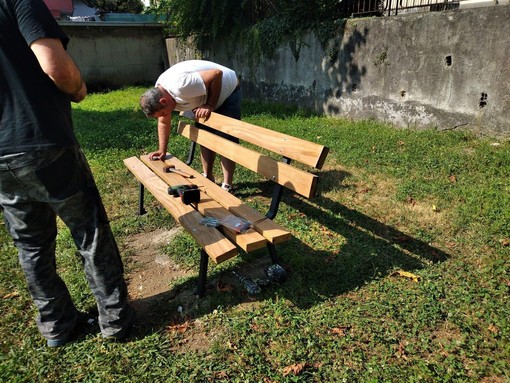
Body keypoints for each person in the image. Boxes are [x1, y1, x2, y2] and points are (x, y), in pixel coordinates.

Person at [0, 0, 134, 347]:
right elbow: (56, 67)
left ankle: (57, 326)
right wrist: (78, 89)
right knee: (89, 233)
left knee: (30, 246)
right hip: (42, 142)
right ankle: (115, 320)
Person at [140, 60, 242, 192]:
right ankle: (208, 176)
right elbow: (163, 121)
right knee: (205, 136)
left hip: (228, 89)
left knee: (226, 138)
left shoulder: (181, 86)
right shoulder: (160, 90)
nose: (166, 115)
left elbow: (217, 74)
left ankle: (227, 184)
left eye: (164, 112)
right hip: (207, 93)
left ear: (163, 101)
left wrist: (209, 105)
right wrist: (162, 150)